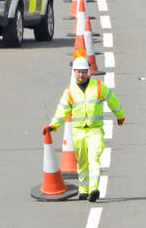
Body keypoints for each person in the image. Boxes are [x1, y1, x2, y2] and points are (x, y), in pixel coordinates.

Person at [46, 56, 126, 201]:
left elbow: (112, 100)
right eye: (78, 72)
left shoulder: (99, 86)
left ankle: (94, 189)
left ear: (88, 72)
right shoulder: (70, 91)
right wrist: (53, 126)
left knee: (93, 158)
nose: (81, 75)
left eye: (83, 72)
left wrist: (120, 115)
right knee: (82, 162)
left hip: (95, 130)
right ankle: (84, 189)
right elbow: (62, 111)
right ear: (74, 72)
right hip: (78, 132)